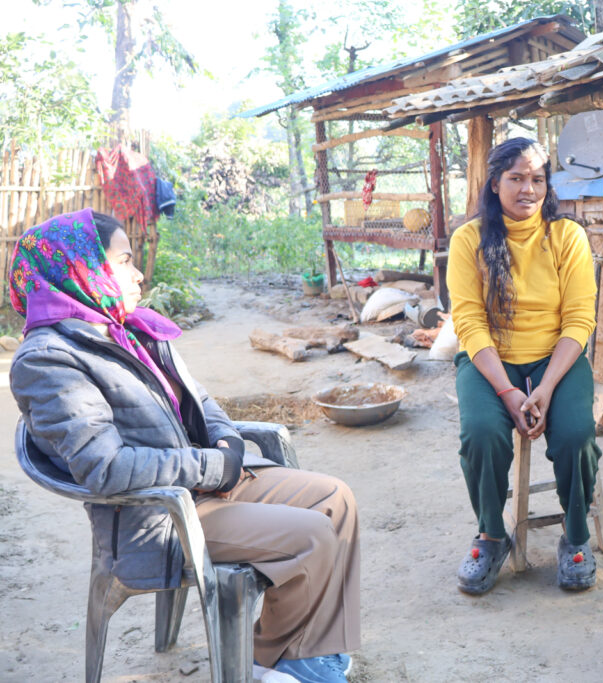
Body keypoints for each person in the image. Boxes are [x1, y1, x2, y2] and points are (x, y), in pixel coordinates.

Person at [8, 209, 359, 683]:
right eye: (125, 261)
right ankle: (278, 662)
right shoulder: (47, 359)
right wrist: (213, 466)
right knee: (312, 535)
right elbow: (103, 468)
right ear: (80, 269)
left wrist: (227, 439)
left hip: (203, 488)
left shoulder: (130, 327)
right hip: (159, 516)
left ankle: (297, 653)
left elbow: (201, 399)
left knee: (336, 498)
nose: (138, 274)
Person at [447, 137, 601, 594]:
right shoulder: (468, 240)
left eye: (537, 179)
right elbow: (469, 323)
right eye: (516, 178)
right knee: (482, 433)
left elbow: (579, 319)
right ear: (495, 183)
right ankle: (491, 534)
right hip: (490, 360)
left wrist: (547, 387)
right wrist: (509, 392)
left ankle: (575, 538)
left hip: (558, 359)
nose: (527, 189)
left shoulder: (567, 236)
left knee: (575, 436)